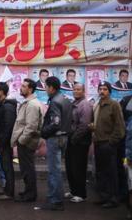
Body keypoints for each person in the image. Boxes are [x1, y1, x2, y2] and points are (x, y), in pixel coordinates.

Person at [91, 81, 126, 208]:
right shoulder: (97, 104)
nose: (102, 91)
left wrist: (111, 143)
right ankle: (103, 197)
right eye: (100, 88)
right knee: (100, 172)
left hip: (108, 144)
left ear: (109, 91)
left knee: (111, 172)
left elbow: (120, 127)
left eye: (105, 89)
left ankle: (113, 199)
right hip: (98, 143)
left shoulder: (114, 105)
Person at [40, 76, 72, 211]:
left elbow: (55, 123)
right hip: (64, 137)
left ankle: (56, 201)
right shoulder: (64, 98)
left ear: (51, 88)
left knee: (54, 171)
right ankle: (54, 196)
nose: (45, 89)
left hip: (55, 138)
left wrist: (43, 132)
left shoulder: (55, 102)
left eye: (46, 87)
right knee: (56, 170)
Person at [11, 78, 43, 202]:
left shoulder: (32, 104)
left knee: (28, 169)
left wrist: (21, 141)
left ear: (30, 89)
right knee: (25, 169)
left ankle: (30, 195)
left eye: (24, 86)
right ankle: (28, 191)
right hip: (25, 141)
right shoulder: (28, 102)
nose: (21, 88)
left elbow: (31, 126)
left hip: (27, 142)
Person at [65, 84, 93, 203]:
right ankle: (73, 191)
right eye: (74, 89)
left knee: (78, 168)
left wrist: (74, 139)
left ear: (83, 91)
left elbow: (84, 125)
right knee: (70, 167)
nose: (76, 91)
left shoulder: (85, 105)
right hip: (72, 140)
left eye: (78, 89)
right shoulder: (74, 103)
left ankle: (81, 194)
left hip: (80, 141)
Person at [0, 82, 17, 201]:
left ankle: (9, 192)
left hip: (5, 142)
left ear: (2, 92)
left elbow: (8, 126)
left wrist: (2, 141)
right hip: (0, 141)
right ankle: (7, 189)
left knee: (7, 166)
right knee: (4, 165)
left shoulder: (8, 107)